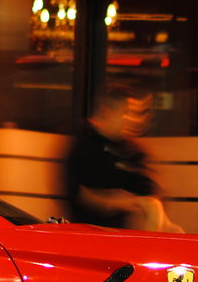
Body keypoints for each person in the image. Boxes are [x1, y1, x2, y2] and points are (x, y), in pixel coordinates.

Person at [64, 85, 182, 232]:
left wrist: (153, 210)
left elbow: (150, 193)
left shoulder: (133, 151)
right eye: (126, 112)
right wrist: (126, 201)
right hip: (81, 235)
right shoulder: (82, 146)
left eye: (136, 113)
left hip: (119, 237)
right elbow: (82, 197)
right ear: (105, 112)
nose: (133, 120)